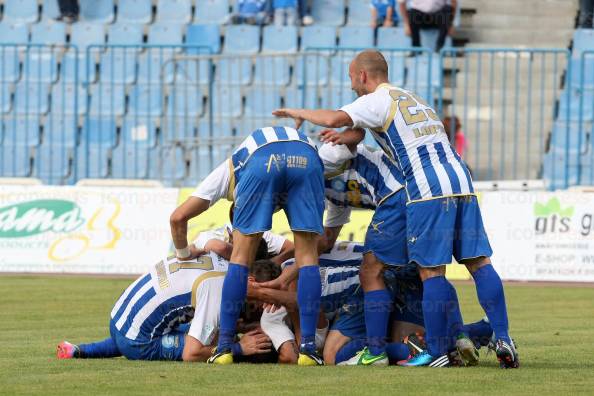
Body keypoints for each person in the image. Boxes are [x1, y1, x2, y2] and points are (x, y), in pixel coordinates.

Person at [272, 50, 519, 369]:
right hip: (459, 177)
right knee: (479, 263)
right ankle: (501, 337)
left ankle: (435, 351)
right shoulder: (410, 97)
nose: (351, 87)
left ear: (362, 75)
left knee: (429, 271)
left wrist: (297, 111)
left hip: (426, 186)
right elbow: (355, 131)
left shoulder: (376, 99)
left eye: (351, 78)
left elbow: (335, 119)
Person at [169, 126, 326, 366]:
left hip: (261, 159)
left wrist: (183, 254)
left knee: (240, 259)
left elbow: (178, 217)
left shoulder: (228, 171)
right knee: (308, 259)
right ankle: (309, 350)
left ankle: (223, 350)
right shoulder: (297, 150)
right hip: (308, 156)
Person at [57, 249, 278, 362]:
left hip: (119, 317)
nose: (258, 305)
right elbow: (192, 354)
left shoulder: (221, 261)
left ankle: (77, 350)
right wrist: (240, 348)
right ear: (251, 281)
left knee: (200, 332)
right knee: (208, 344)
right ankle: (94, 349)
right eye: (261, 297)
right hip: (137, 340)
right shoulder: (217, 288)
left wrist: (236, 327)